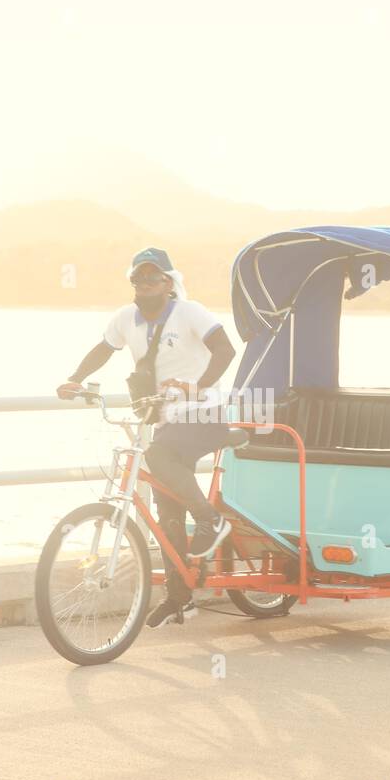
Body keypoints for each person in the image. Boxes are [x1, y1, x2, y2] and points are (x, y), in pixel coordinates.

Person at [57, 247, 236, 627]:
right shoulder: (126, 318)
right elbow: (104, 349)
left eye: (153, 278)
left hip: (204, 413)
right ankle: (179, 594)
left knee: (158, 457)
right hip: (164, 419)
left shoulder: (189, 312)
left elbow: (226, 348)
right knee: (167, 511)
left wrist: (196, 386)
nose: (144, 284)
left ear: (168, 282)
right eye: (137, 278)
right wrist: (74, 378)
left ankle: (211, 520)